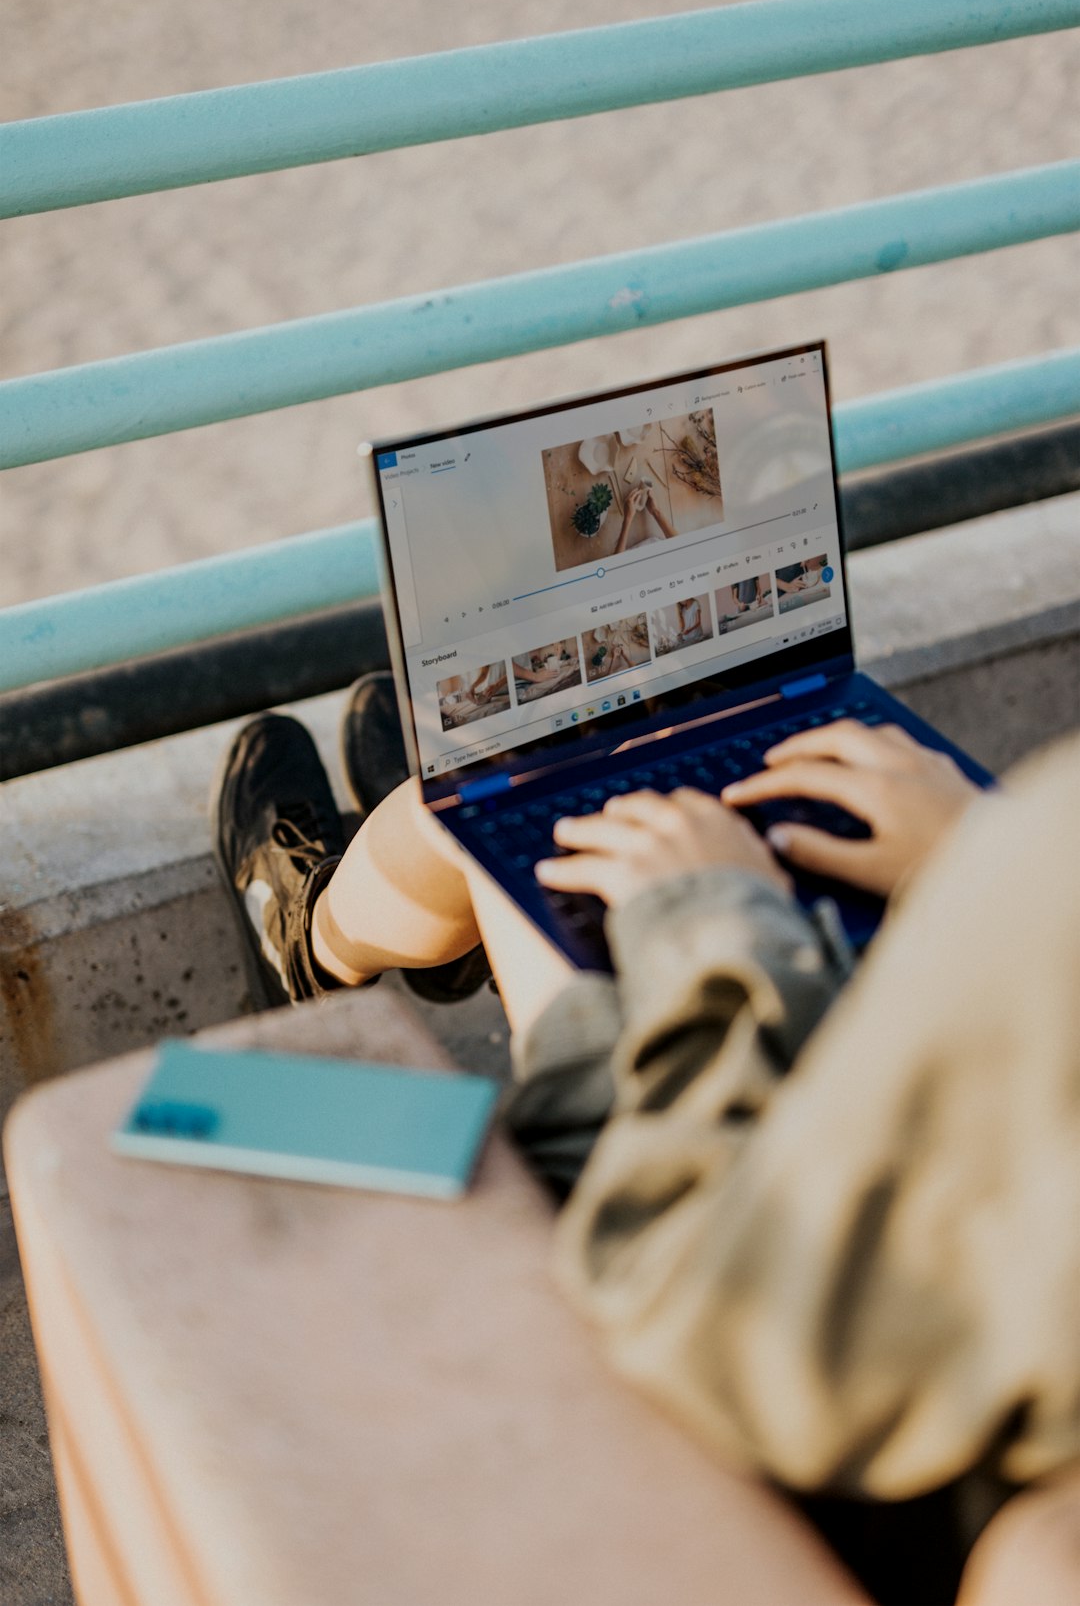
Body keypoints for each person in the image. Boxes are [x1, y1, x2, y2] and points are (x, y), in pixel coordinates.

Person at [213, 680, 1080, 1603]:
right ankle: (464, 884)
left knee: (492, 795)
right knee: (532, 794)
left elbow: (717, 1301)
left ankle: (317, 942)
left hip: (747, 1367)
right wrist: (996, 867)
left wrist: (712, 925)